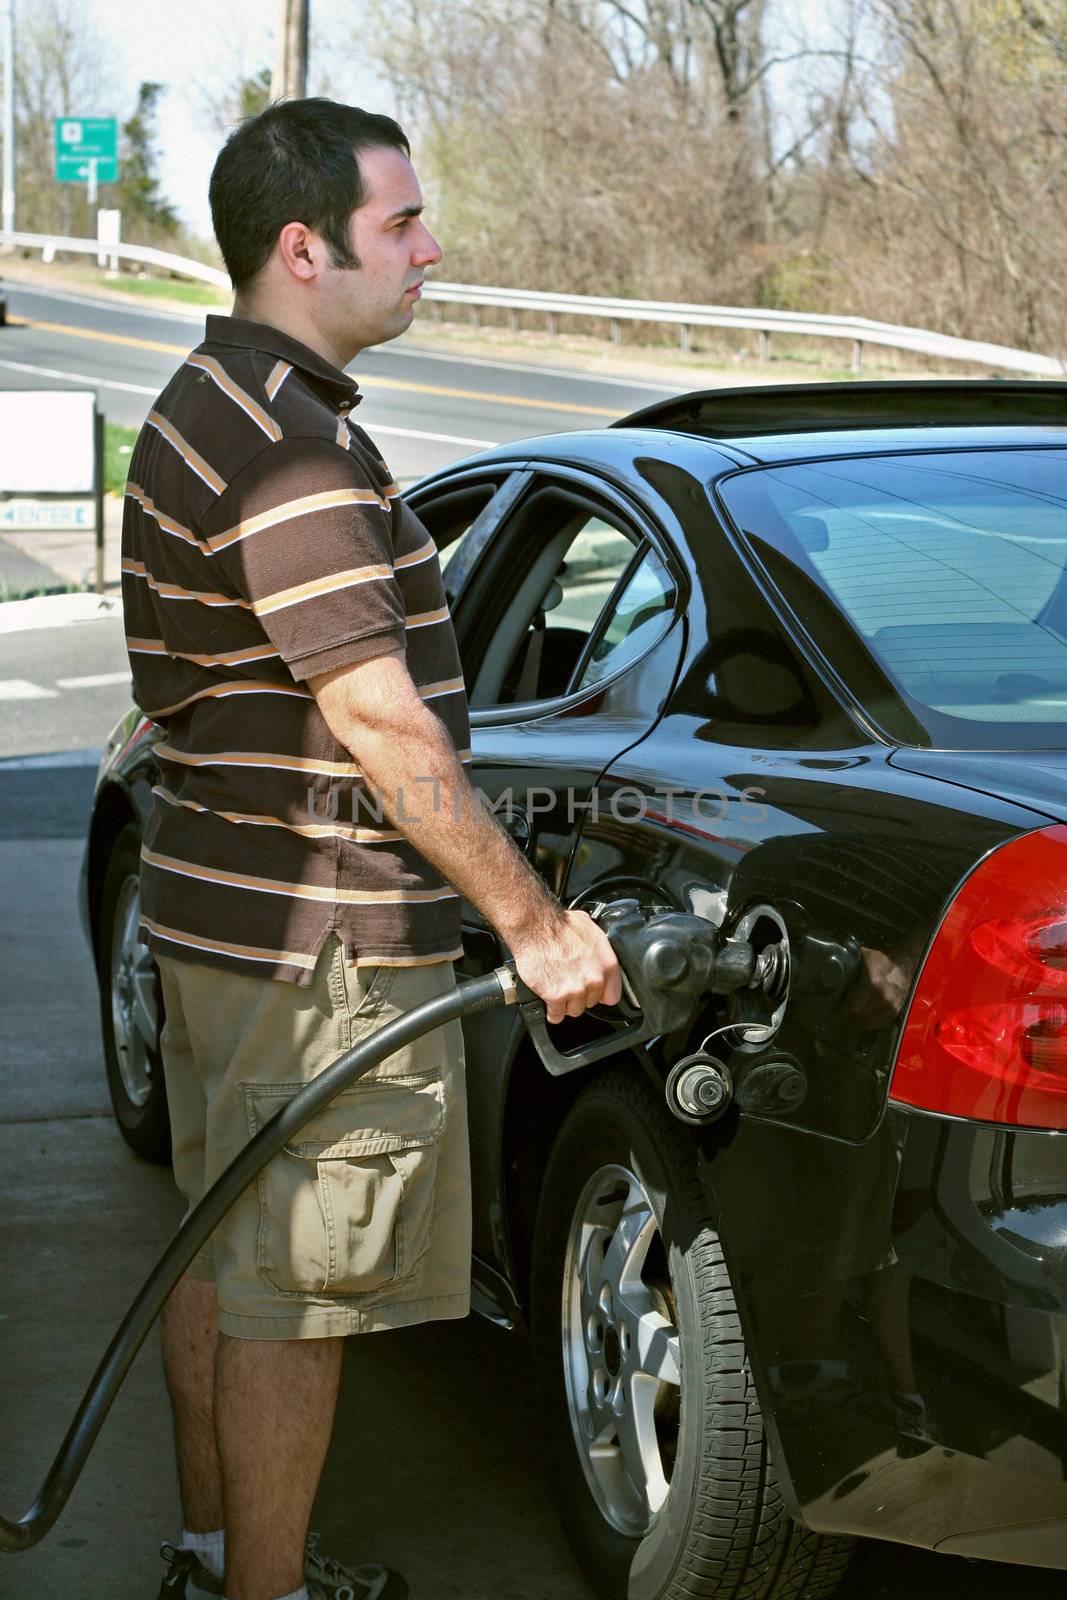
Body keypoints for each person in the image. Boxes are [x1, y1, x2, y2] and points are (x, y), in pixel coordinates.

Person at [121, 98, 621, 1600]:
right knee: (299, 1299)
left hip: (219, 925)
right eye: (400, 224)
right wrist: (536, 929)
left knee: (220, 1256)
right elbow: (383, 727)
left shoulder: (206, 400)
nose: (430, 248)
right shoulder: (294, 457)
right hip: (318, 949)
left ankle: (219, 1557)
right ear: (303, 247)